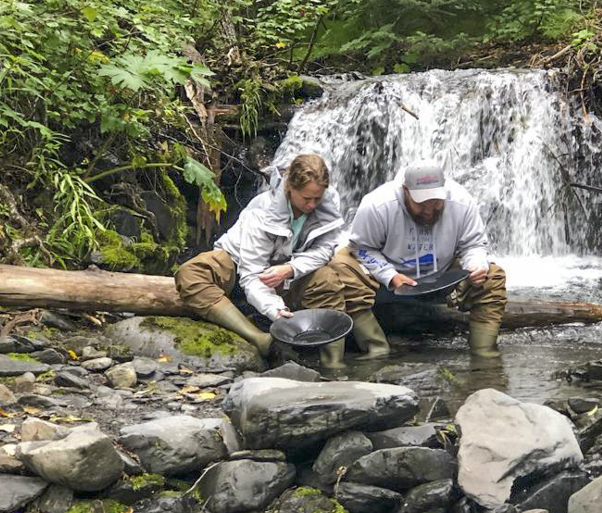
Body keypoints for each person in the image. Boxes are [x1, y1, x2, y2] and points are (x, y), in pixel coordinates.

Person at [174, 153, 349, 367]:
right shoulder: (261, 212)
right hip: (240, 263)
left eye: (318, 198)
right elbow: (252, 275)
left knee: (328, 279)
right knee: (191, 274)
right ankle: (260, 339)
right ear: (290, 188)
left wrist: (290, 269)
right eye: (306, 198)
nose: (312, 205)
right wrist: (275, 310)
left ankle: (334, 365)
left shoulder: (328, 206)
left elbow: (324, 250)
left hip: (290, 273)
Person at [329, 159, 507, 358]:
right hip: (385, 284)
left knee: (493, 275)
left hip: (442, 280)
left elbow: (473, 245)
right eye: (422, 203)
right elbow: (361, 248)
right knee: (340, 263)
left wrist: (475, 265)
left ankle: (484, 354)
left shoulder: (461, 201)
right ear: (405, 190)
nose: (429, 209)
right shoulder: (377, 204)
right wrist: (390, 275)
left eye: (436, 201)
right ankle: (376, 349)